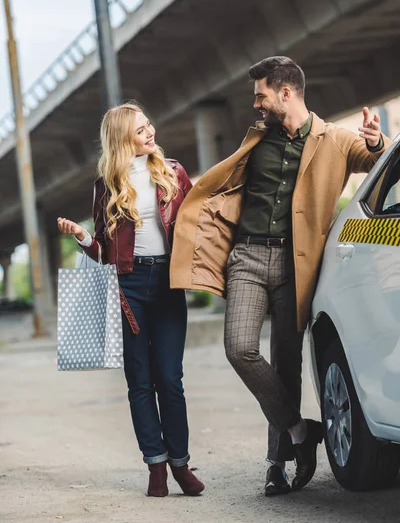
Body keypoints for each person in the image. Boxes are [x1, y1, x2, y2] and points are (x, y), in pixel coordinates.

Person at [170, 56, 390, 496]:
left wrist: (377, 139)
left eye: (261, 95)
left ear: (285, 93)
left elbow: (374, 159)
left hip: (297, 266)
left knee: (287, 366)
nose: (257, 104)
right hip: (247, 259)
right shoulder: (257, 137)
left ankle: (277, 466)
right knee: (239, 348)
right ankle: (299, 431)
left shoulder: (335, 140)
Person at [57, 102, 204, 498]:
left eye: (149, 124)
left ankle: (181, 465)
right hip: (129, 284)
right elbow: (104, 248)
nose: (150, 132)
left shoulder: (173, 172)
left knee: (170, 379)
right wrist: (82, 237)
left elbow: (195, 224)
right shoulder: (106, 182)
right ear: (123, 139)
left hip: (168, 281)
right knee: (140, 382)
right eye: (140, 130)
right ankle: (156, 466)